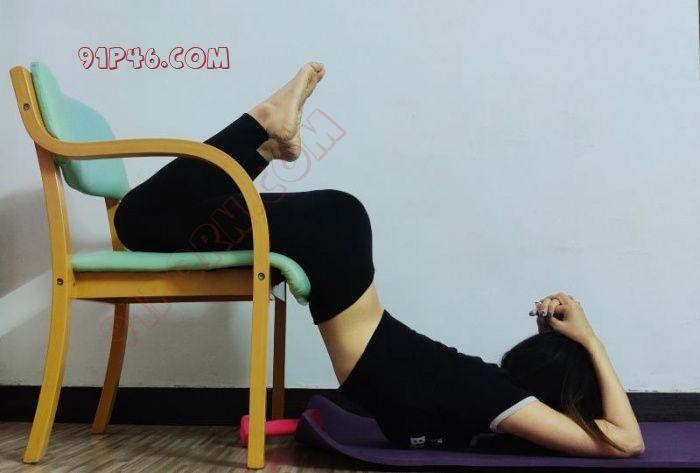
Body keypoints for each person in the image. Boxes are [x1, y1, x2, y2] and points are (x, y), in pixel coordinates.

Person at [113, 62, 645, 458]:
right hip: (334, 241)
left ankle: (263, 139)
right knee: (140, 221)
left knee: (149, 219)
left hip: (338, 232)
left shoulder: (495, 397)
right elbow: (625, 442)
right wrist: (588, 343)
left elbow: (624, 442)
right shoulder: (499, 398)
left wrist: (586, 341)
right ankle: (261, 129)